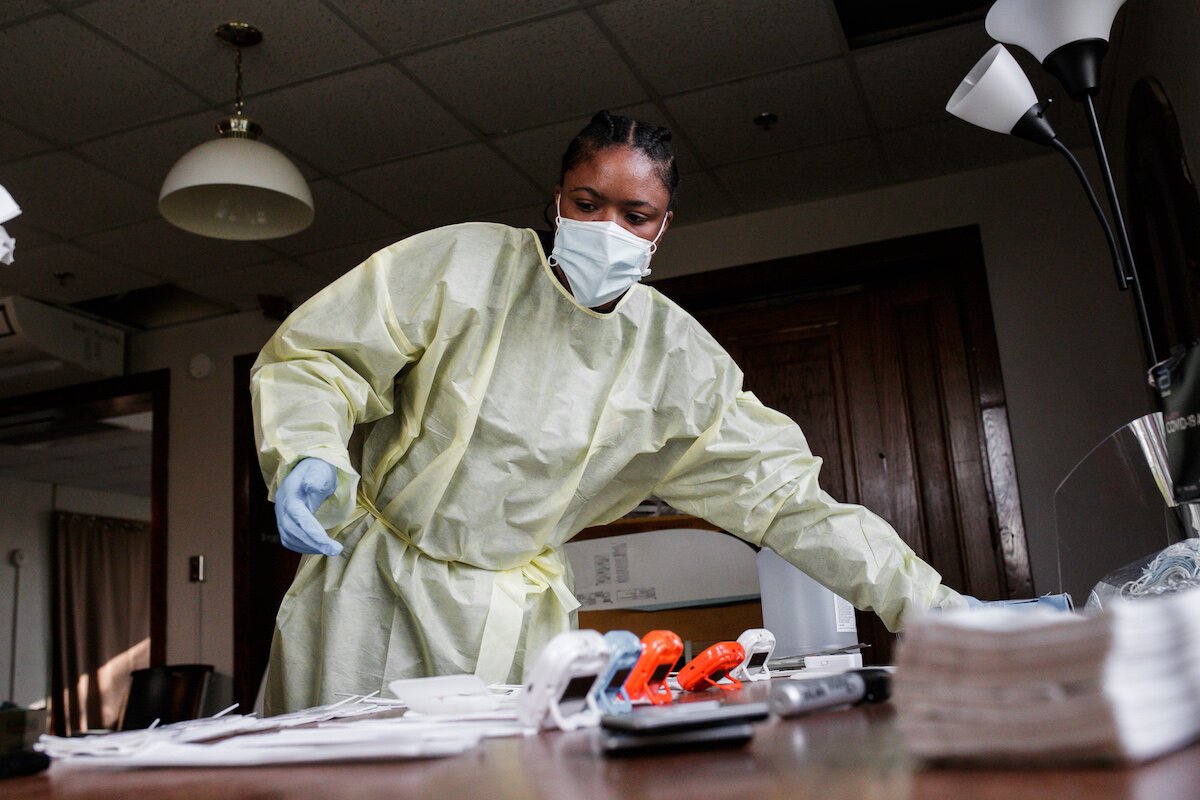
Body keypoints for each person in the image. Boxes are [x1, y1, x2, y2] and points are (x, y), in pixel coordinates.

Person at [252, 111, 972, 715]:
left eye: (636, 215)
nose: (607, 229)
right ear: (556, 199)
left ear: (663, 226)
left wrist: (931, 606)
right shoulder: (463, 267)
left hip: (516, 620)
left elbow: (789, 502)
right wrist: (306, 448)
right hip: (373, 592)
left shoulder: (675, 362)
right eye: (587, 204)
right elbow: (321, 358)